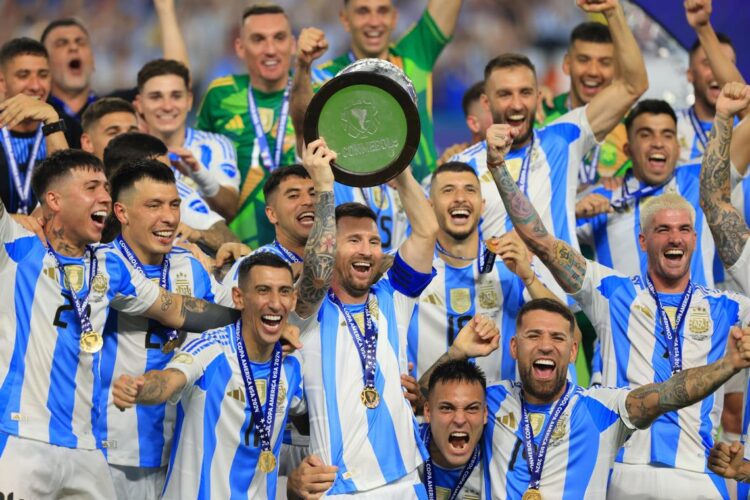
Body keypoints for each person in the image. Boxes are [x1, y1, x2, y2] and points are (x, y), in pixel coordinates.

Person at [485, 125, 750, 498]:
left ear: (694, 238)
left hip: (697, 475)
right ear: (643, 241)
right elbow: (542, 242)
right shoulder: (611, 292)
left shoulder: (730, 307)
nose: (674, 238)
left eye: (684, 229)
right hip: (622, 473)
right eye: (663, 230)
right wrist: (498, 167)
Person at [0, 149, 240, 497]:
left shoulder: (110, 266)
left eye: (105, 188)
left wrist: (252, 320)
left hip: (86, 446)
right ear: (53, 199)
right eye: (91, 187)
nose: (104, 196)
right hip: (20, 436)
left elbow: (175, 308)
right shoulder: (13, 244)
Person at [419, 298, 750, 499]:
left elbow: (665, 395)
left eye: (558, 337)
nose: (546, 345)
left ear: (573, 349)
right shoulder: (490, 399)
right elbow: (423, 400)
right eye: (533, 336)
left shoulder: (600, 408)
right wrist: (457, 352)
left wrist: (728, 365)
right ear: (515, 348)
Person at [450, 0, 648, 304]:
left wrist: (613, 13)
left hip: (560, 314)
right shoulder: (462, 164)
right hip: (493, 319)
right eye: (505, 94)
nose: (517, 104)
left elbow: (633, 85)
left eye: (525, 92)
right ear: (486, 102)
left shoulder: (563, 138)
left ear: (538, 96)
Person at [291, 136, 439, 496]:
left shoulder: (393, 296)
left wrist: (399, 169)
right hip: (338, 486)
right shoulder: (305, 309)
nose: (368, 250)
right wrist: (325, 188)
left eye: (373, 242)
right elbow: (319, 267)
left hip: (405, 479)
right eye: (353, 240)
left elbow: (427, 231)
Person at [112, 252, 305, 499]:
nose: (275, 303)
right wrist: (140, 389)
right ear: (239, 297)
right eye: (263, 290)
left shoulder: (292, 363)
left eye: (284, 292)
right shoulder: (212, 348)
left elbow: (308, 417)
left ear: (293, 298)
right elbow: (169, 380)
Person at [95, 159, 234, 499]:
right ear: (122, 212)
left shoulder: (192, 265)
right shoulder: (102, 263)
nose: (170, 218)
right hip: (110, 448)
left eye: (174, 205)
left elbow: (224, 333)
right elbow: (194, 314)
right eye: (153, 205)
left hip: (179, 451)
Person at [408, 161, 573, 383]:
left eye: (470, 190)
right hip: (427, 409)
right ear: (430, 206)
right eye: (448, 190)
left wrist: (528, 278)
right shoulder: (410, 268)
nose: (460, 197)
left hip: (503, 413)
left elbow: (573, 336)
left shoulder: (509, 264)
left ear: (482, 204)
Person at [291, 0, 464, 183]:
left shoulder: (415, 54)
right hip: (362, 206)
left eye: (382, 11)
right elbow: (304, 128)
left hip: (425, 195)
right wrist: (303, 65)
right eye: (363, 12)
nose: (374, 22)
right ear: (345, 19)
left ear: (394, 18)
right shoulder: (326, 77)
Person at [577, 99, 719, 287]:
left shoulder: (700, 180)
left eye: (667, 135)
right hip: (625, 316)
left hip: (697, 315)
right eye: (646, 135)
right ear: (628, 149)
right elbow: (542, 237)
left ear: (677, 148)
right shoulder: (602, 198)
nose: (658, 143)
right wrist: (574, 212)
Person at [197, 3, 297, 248]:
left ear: (293, 44)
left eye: (279, 38)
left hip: (303, 246)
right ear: (240, 47)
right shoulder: (220, 95)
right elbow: (200, 165)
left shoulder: (314, 94)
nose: (270, 49)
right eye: (258, 39)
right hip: (235, 247)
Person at [40, 0, 188, 146]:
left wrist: (165, 10)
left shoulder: (119, 106)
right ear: (43, 63)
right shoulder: (38, 114)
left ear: (93, 60)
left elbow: (176, 78)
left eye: (81, 42)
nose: (73, 47)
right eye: (62, 43)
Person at [136, 58, 240, 220]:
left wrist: (201, 177)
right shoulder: (128, 152)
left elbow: (230, 210)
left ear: (189, 100)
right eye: (156, 97)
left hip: (206, 245)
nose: (167, 106)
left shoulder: (215, 145)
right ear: (140, 104)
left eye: (176, 96)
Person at [102, 132, 239, 252]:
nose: (167, 179)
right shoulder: (91, 200)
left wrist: (198, 234)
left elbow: (231, 239)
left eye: (168, 171)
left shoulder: (177, 192)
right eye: (157, 173)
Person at [541, 21, 630, 184]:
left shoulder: (630, 127)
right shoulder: (540, 115)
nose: (593, 71)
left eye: (604, 62)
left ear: (616, 69)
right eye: (583, 60)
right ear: (567, 64)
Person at [0, 37, 70, 214]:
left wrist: (51, 122)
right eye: (23, 75)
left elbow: (70, 195)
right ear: (2, 82)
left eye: (43, 75)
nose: (35, 86)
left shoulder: (69, 127)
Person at [223, 164, 314, 286]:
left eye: (314, 194)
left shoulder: (339, 262)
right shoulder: (251, 267)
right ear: (272, 214)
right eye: (293, 196)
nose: (308, 201)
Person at [679, 0, 742, 165]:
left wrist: (703, 28)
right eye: (708, 64)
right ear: (690, 74)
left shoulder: (745, 128)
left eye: (727, 66)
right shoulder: (668, 126)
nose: (719, 74)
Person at [420, 359, 486, 500]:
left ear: (485, 414)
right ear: (428, 412)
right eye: (447, 408)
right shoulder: (404, 449)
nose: (460, 419)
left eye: (472, 408)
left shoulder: (496, 462)